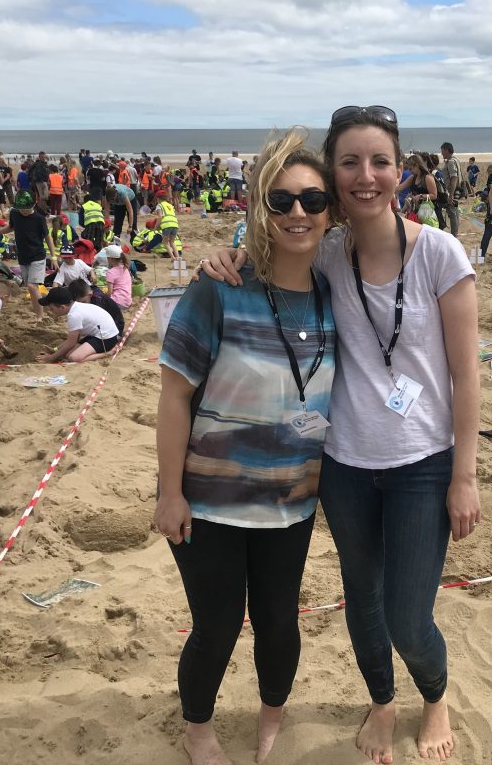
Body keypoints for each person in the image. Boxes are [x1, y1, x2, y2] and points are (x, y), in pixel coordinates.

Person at [202, 105, 480, 764]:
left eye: (379, 160)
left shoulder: (440, 253)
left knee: (410, 617)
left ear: (399, 170)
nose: (365, 175)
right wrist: (226, 254)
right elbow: (271, 245)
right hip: (346, 464)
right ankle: (382, 703)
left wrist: (465, 476)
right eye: (349, 162)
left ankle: (433, 695)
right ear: (333, 175)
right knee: (363, 598)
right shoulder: (325, 251)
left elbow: (467, 378)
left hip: (424, 462)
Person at [155, 129, 335, 765]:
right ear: (259, 207)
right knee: (218, 624)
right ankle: (198, 728)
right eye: (281, 201)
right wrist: (168, 492)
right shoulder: (220, 287)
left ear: (330, 210)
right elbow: (175, 395)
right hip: (211, 500)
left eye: (313, 200)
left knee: (280, 621)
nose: (297, 214)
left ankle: (270, 717)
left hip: (293, 500)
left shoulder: (335, 293)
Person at [0, 190, 53, 321]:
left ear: (34, 205)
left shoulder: (39, 218)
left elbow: (48, 238)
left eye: (27, 209)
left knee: (32, 285)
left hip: (38, 254)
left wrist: (53, 256)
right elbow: (11, 227)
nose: (24, 212)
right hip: (23, 255)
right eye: (22, 210)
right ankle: (42, 308)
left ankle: (40, 316)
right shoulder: (15, 213)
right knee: (30, 287)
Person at [37, 286, 120, 362]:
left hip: (106, 338)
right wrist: (55, 350)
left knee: (73, 358)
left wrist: (51, 358)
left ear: (62, 307)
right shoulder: (76, 306)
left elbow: (71, 343)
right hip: (98, 333)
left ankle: (108, 353)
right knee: (68, 354)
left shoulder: (74, 315)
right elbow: (71, 340)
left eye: (52, 309)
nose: (51, 312)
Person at [440, 143, 461, 236]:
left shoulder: (451, 162)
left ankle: (454, 236)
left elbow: (454, 178)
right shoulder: (455, 159)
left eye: (442, 151)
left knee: (452, 214)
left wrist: (451, 194)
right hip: (456, 189)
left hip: (452, 190)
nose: (441, 153)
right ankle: (455, 234)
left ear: (446, 150)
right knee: (455, 212)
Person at [154, 191, 180, 259]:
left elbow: (160, 217)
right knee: (172, 242)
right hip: (175, 224)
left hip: (166, 225)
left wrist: (156, 227)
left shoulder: (159, 205)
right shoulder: (171, 205)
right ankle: (178, 257)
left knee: (165, 242)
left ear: (158, 199)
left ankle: (172, 257)